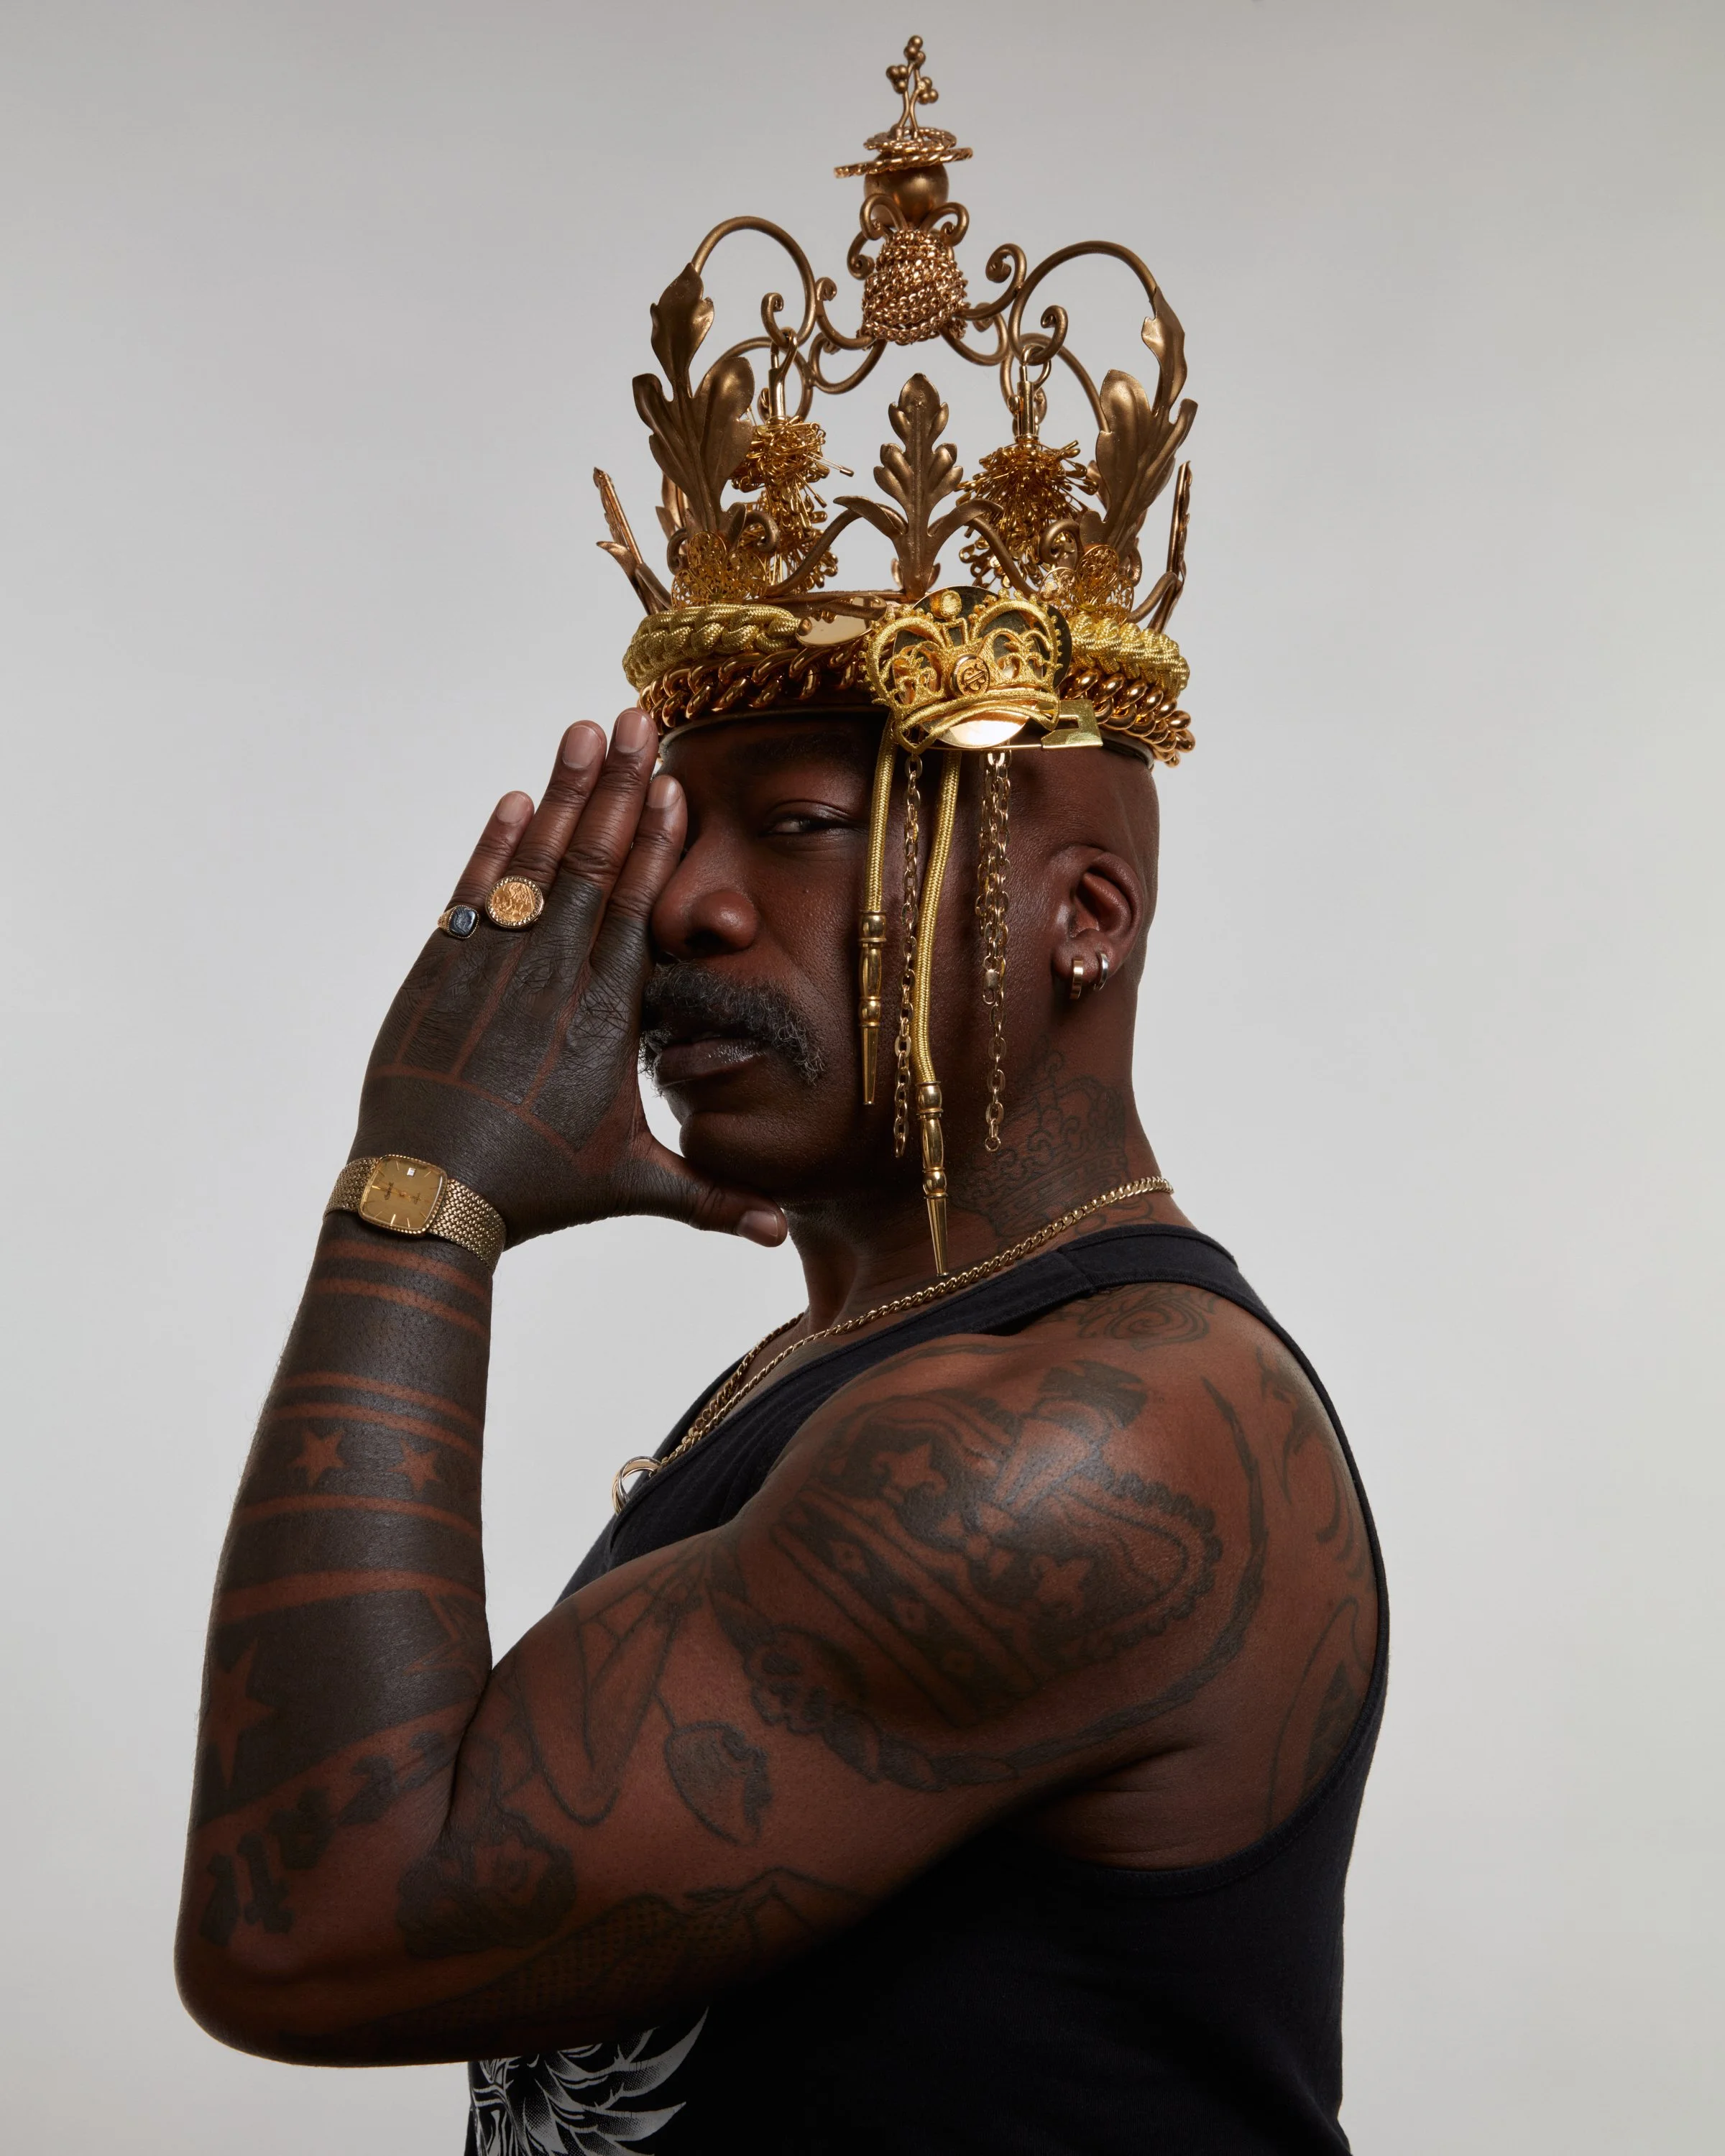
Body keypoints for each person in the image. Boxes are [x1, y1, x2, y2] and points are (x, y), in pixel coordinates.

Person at [176, 40, 1386, 2155]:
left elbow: (309, 1918)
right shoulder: (863, 1368)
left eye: (806, 824)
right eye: (675, 828)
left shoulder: (1098, 1441)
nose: (682, 908)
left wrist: (421, 1185)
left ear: (1081, 913)